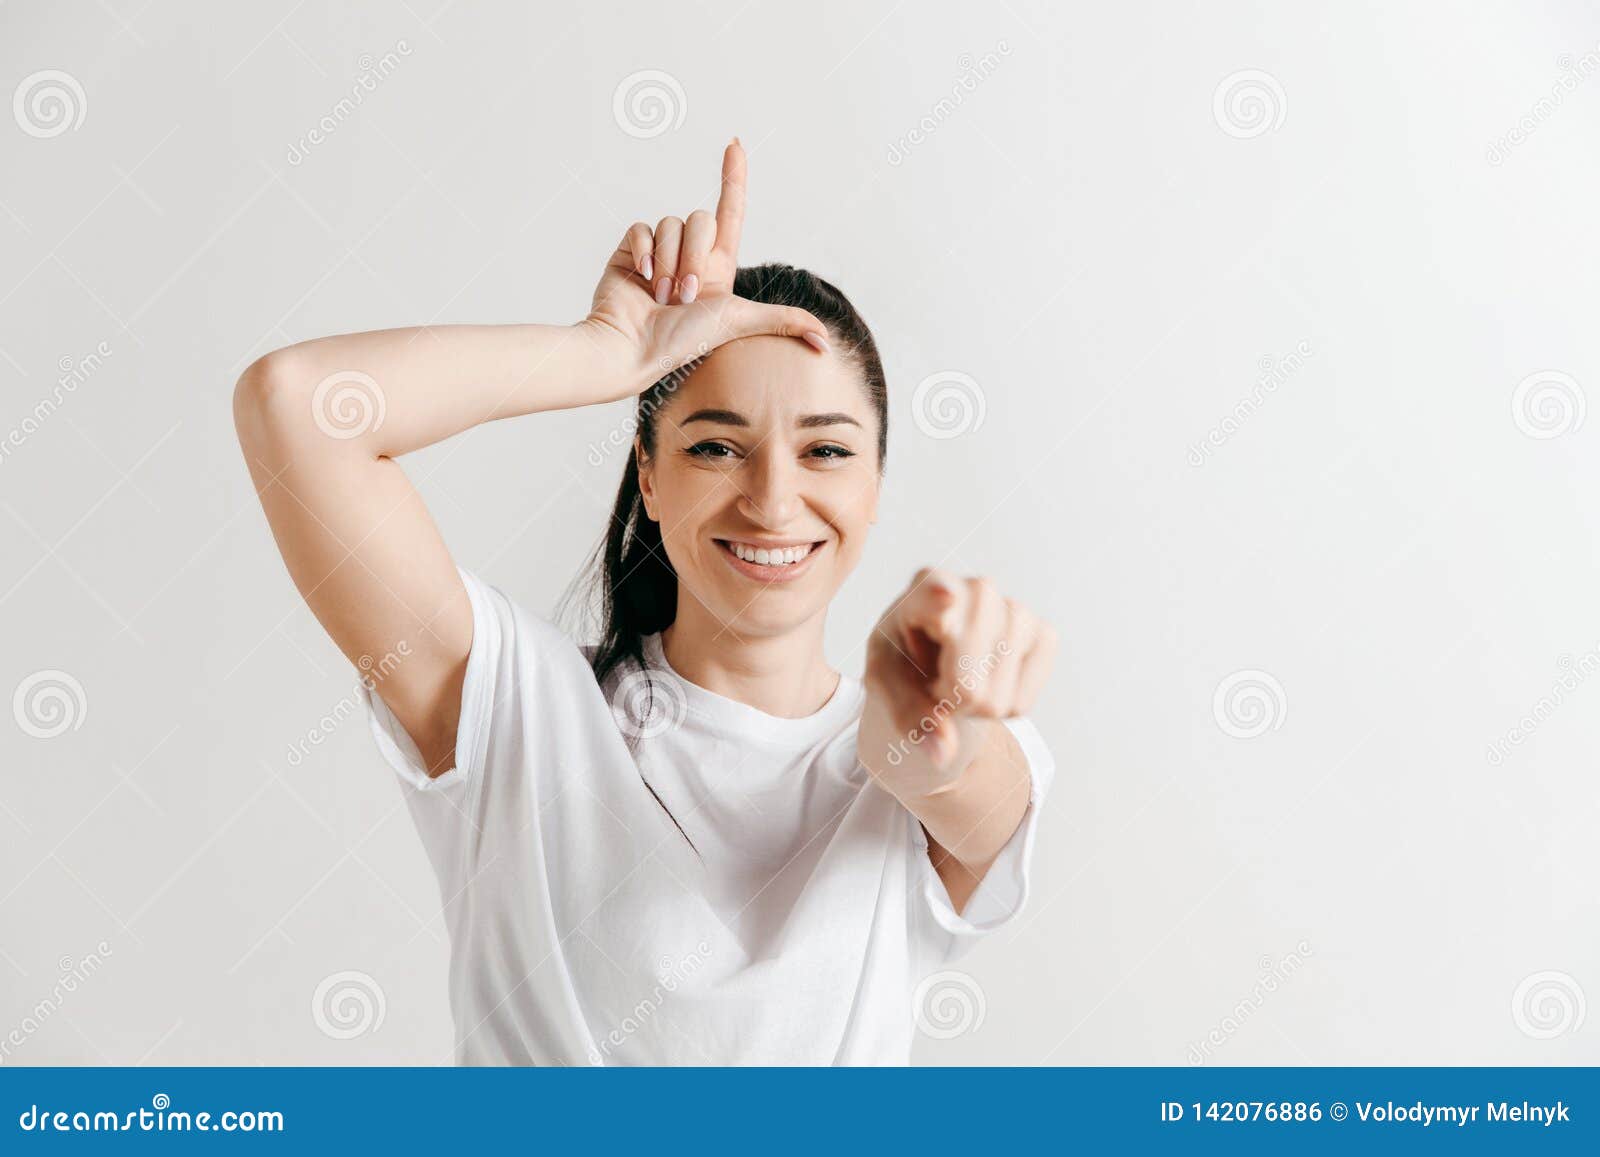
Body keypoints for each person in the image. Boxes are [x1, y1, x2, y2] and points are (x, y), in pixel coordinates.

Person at [233, 139, 1058, 1065]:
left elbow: (947, 773)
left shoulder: (945, 742)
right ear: (649, 478)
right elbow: (297, 405)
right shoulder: (514, 709)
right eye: (714, 446)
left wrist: (929, 734)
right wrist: (600, 355)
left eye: (826, 450)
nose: (774, 500)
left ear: (875, 485)